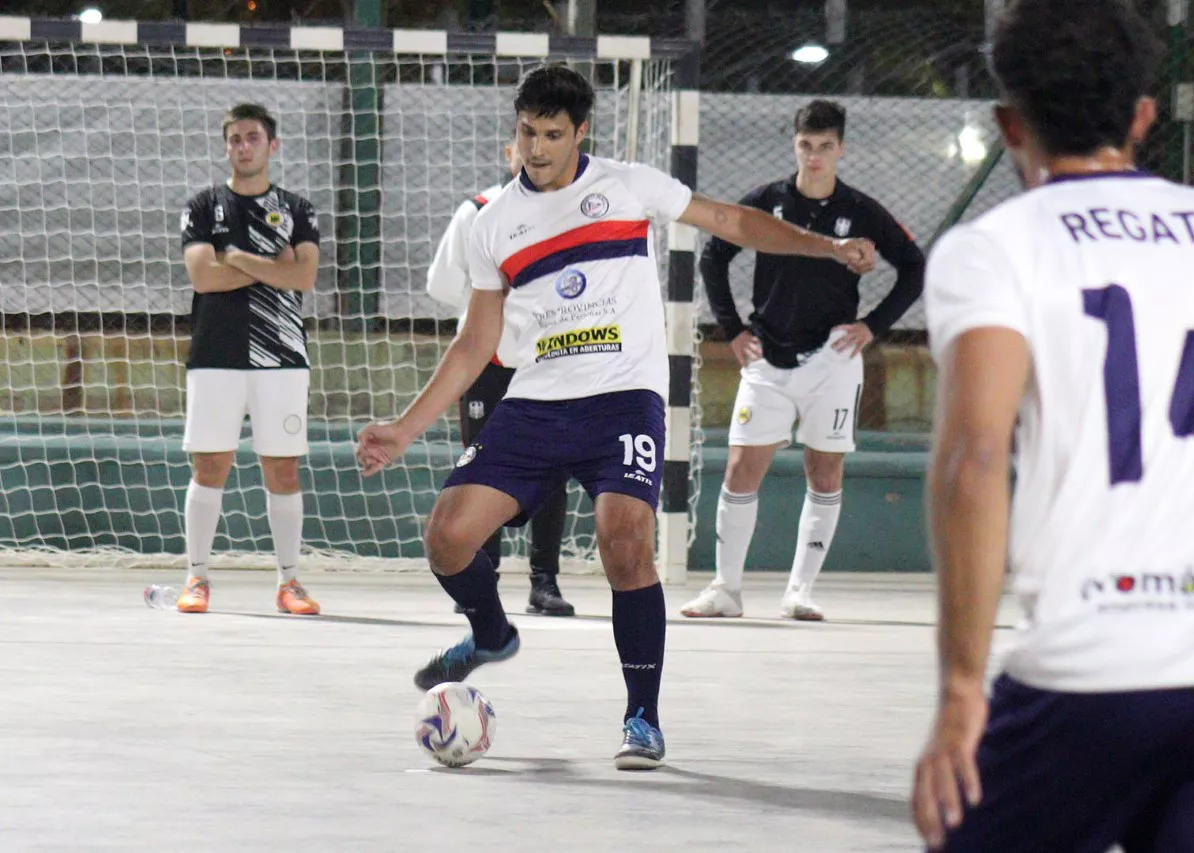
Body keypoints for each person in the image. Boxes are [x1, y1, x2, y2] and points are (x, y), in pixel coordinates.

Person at [356, 65, 876, 770]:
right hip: (537, 400)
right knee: (447, 537)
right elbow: (476, 340)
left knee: (624, 541)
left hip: (624, 397)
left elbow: (733, 221)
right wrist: (403, 428)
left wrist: (827, 247)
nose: (537, 148)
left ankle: (642, 717)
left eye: (552, 134)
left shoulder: (629, 186)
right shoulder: (493, 223)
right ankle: (491, 632)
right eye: (527, 132)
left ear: (581, 132)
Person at [911, 1, 1194, 850]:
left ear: (1010, 126)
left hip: (1095, 668)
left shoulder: (997, 247)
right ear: (1143, 117)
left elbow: (974, 458)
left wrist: (962, 687)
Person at [680, 99, 924, 621]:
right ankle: (725, 589)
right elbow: (713, 256)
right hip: (768, 355)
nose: (814, 157)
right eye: (805, 146)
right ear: (795, 145)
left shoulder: (862, 211)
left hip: (832, 358)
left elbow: (915, 267)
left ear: (841, 149)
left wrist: (873, 326)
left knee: (825, 471)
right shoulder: (766, 201)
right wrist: (732, 329)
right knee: (741, 469)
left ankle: (800, 591)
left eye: (824, 147)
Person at [175, 102, 322, 616]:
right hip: (216, 353)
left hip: (281, 355)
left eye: (253, 137)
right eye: (235, 139)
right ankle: (196, 577)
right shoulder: (203, 206)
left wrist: (235, 257)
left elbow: (304, 276)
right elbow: (203, 277)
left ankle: (289, 582)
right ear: (226, 147)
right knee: (209, 465)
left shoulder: (297, 209)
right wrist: (270, 266)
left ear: (272, 145)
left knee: (283, 470)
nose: (243, 146)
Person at [427, 136, 576, 617]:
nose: (534, 153)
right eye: (523, 144)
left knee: (552, 470)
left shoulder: (570, 212)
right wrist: (490, 293)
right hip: (486, 363)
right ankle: (481, 575)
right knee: (480, 468)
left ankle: (544, 580)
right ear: (507, 153)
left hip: (548, 362)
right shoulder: (477, 211)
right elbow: (440, 283)